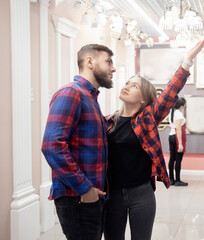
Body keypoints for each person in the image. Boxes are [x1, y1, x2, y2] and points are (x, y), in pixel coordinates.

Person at [104, 35, 204, 240]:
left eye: (134, 85)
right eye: (127, 82)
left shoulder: (147, 118)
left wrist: (188, 59)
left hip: (141, 195)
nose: (126, 86)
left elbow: (171, 91)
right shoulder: (107, 122)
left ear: (143, 98)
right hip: (113, 194)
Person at [41, 44, 116, 240]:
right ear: (90, 62)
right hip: (79, 197)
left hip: (91, 196)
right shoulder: (71, 92)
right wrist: (85, 189)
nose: (113, 68)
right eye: (108, 61)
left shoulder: (89, 97)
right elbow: (52, 146)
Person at [168, 97, 188, 186]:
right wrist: (180, 144)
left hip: (171, 135)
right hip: (176, 136)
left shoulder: (171, 113)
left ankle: (171, 179)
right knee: (178, 160)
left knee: (172, 158)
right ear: (182, 105)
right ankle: (178, 180)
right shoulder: (179, 114)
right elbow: (178, 129)